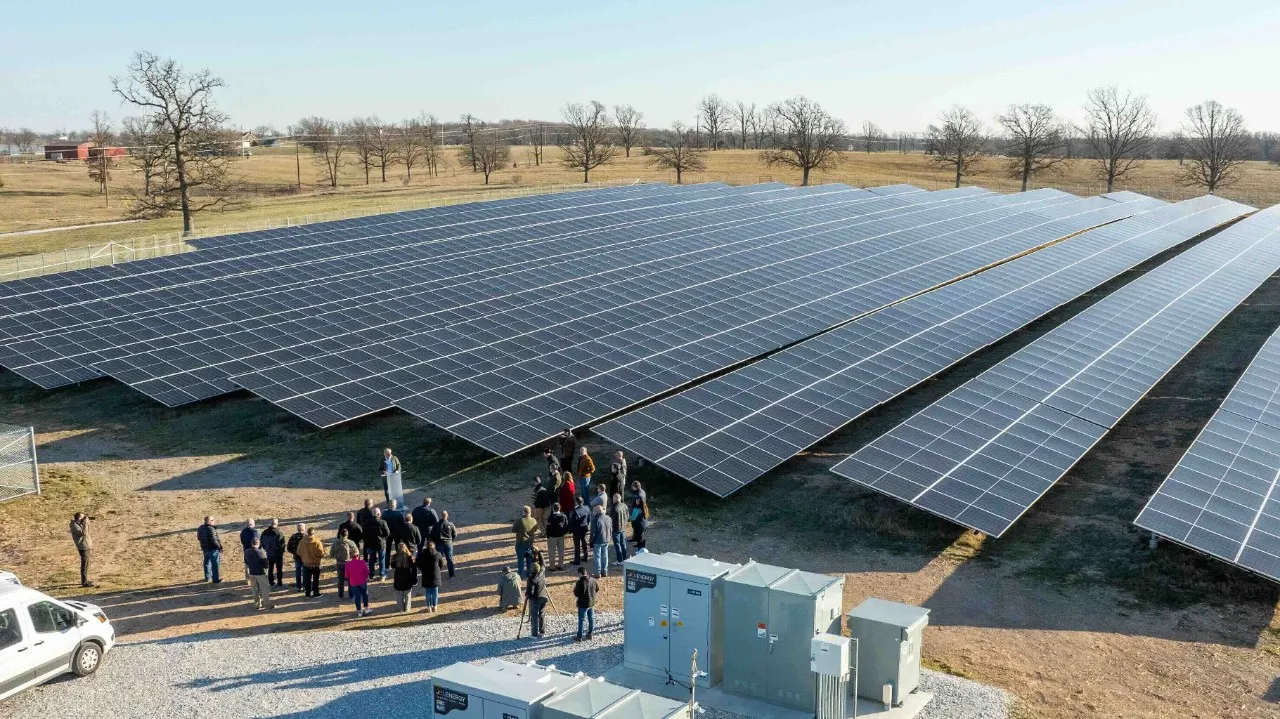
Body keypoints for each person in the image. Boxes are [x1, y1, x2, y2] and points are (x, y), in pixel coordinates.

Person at [243, 537, 274, 610]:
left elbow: (246, 562)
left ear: (251, 543)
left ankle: (257, 605)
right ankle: (267, 605)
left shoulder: (246, 551)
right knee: (264, 590)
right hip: (260, 573)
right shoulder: (261, 552)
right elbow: (266, 565)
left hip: (252, 573)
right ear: (258, 543)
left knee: (255, 590)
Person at [331, 527, 359, 599]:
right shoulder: (351, 543)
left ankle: (341, 596)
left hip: (339, 563)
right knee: (350, 581)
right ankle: (351, 596)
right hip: (349, 564)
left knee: (340, 581)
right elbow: (356, 554)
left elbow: (331, 554)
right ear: (347, 535)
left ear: (340, 534)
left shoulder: (335, 543)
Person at [417, 541, 446, 613]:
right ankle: (435, 606)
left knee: (428, 592)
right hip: (435, 575)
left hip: (426, 574)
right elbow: (441, 564)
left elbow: (419, 563)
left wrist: (422, 569)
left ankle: (428, 607)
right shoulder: (438, 554)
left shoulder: (423, 555)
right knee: (435, 592)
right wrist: (438, 570)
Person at [363, 508, 391, 580]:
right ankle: (382, 574)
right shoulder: (383, 522)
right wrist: (383, 538)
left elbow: (365, 534)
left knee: (371, 560)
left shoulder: (367, 522)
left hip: (371, 543)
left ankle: (371, 575)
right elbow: (387, 533)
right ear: (379, 514)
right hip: (380, 543)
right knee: (382, 559)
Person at [298, 527, 326, 597]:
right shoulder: (317, 541)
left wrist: (304, 556)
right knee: (315, 580)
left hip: (306, 564)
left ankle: (307, 593)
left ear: (307, 533)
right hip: (316, 564)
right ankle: (315, 592)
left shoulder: (302, 541)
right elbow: (321, 553)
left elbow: (298, 552)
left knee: (307, 580)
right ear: (313, 533)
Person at [573, 566, 598, 641]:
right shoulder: (593, 580)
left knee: (581, 620)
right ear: (586, 572)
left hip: (583, 605)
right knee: (591, 619)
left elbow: (576, 594)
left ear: (580, 573)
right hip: (591, 603)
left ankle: (579, 636)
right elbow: (597, 589)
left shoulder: (580, 582)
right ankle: (590, 634)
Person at [525, 559, 549, 638]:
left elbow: (530, 592)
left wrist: (527, 595)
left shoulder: (531, 579)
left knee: (534, 617)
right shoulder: (542, 573)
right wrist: (540, 553)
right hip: (544, 597)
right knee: (541, 615)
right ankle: (542, 632)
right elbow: (543, 563)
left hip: (535, 599)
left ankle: (534, 634)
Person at [260, 518, 287, 588]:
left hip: (269, 553)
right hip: (278, 554)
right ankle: (279, 583)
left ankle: (271, 582)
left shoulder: (264, 532)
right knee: (279, 569)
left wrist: (266, 549)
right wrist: (281, 552)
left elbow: (262, 542)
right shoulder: (279, 533)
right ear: (277, 524)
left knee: (270, 568)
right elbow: (282, 545)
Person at [391, 542, 418, 612]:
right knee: (407, 595)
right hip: (408, 578)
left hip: (398, 578)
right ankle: (407, 608)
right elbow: (414, 568)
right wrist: (414, 578)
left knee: (399, 595)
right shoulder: (410, 557)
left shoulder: (395, 557)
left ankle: (401, 608)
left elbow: (392, 566)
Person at [513, 506, 538, 579]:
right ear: (530, 512)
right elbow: (535, 529)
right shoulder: (534, 520)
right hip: (530, 542)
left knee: (520, 559)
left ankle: (520, 573)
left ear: (523, 512)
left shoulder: (519, 521)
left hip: (520, 542)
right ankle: (529, 572)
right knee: (529, 558)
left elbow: (513, 530)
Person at [69, 513, 93, 588]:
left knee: (85, 564)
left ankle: (85, 580)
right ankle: (84, 582)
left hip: (85, 546)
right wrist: (85, 523)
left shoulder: (79, 524)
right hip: (83, 547)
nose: (84, 518)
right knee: (84, 564)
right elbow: (83, 533)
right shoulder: (75, 525)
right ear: (79, 518)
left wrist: (85, 523)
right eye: (83, 517)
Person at [346, 546, 372, 616]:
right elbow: (367, 572)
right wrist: (367, 577)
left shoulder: (348, 564)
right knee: (364, 595)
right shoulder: (362, 562)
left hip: (353, 582)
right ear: (358, 555)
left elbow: (346, 575)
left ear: (351, 556)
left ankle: (359, 611)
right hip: (362, 581)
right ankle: (366, 609)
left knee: (357, 597)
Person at [589, 504, 613, 578]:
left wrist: (591, 541)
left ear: (596, 512)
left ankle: (597, 573)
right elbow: (611, 529)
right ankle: (604, 571)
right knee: (605, 556)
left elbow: (593, 533)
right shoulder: (608, 518)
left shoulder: (595, 520)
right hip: (606, 539)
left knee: (597, 557)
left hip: (598, 541)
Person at [197, 516, 223, 584]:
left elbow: (199, 538)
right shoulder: (211, 529)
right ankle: (215, 579)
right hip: (213, 549)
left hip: (205, 549)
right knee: (215, 565)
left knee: (207, 563)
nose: (214, 521)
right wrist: (219, 547)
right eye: (213, 520)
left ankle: (207, 577)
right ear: (209, 521)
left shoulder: (200, 528)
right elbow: (214, 540)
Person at [433, 510, 458, 578]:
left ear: (441, 516)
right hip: (448, 544)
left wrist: (435, 541)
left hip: (439, 544)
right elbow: (454, 534)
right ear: (447, 516)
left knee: (438, 559)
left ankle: (437, 573)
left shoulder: (437, 525)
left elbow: (432, 535)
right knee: (449, 559)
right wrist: (450, 540)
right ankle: (451, 574)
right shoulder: (451, 524)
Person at [568, 496, 591, 566]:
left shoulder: (576, 511)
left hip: (577, 530)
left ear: (576, 502)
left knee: (577, 545)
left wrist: (570, 529)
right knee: (584, 543)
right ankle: (586, 556)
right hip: (584, 528)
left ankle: (577, 560)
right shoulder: (587, 507)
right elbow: (589, 518)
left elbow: (573, 522)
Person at [545, 502, 568, 571]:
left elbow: (548, 527)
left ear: (553, 509)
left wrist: (548, 535)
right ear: (559, 508)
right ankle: (560, 565)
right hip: (561, 536)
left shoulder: (550, 517)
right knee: (561, 551)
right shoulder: (564, 516)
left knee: (552, 552)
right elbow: (566, 526)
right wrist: (563, 533)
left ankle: (552, 567)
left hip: (552, 537)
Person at [239, 518, 260, 585]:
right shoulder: (255, 532)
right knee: (255, 565)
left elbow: (242, 541)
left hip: (246, 550)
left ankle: (248, 580)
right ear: (252, 524)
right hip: (254, 550)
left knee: (247, 564)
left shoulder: (243, 531)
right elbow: (257, 541)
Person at [609, 494, 629, 563]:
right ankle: (625, 558)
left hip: (616, 529)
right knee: (623, 543)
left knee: (617, 544)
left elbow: (612, 520)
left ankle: (619, 560)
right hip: (623, 528)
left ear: (614, 499)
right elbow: (627, 516)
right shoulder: (624, 505)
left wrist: (610, 528)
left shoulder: (614, 507)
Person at [286, 523, 307, 591]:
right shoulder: (307, 537)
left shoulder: (293, 537)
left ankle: (298, 586)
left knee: (298, 571)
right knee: (305, 572)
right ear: (304, 529)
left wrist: (295, 553)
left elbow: (289, 548)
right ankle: (305, 586)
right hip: (305, 558)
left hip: (296, 557)